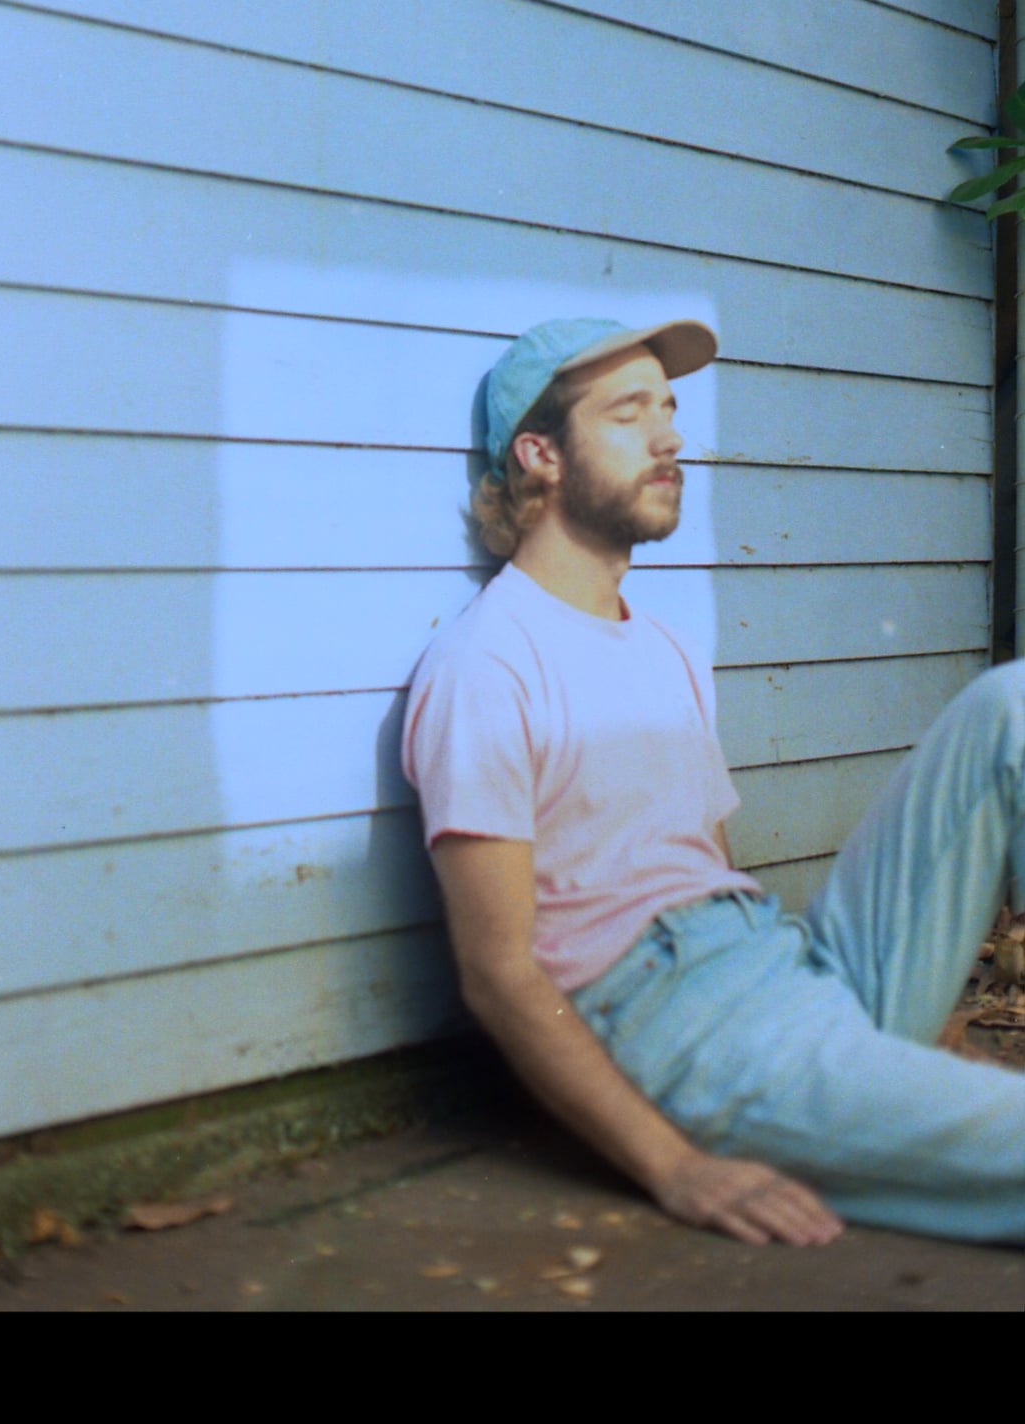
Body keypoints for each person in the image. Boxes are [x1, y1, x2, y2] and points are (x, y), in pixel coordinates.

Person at [401, 317, 1025, 1249]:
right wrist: (673, 1166)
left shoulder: (664, 648)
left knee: (1010, 704)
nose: (669, 438)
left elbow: (712, 872)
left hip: (789, 966)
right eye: (628, 415)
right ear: (541, 455)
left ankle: (874, 1088)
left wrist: (906, 1029)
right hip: (688, 1035)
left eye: (668, 410)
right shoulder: (487, 666)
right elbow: (498, 975)